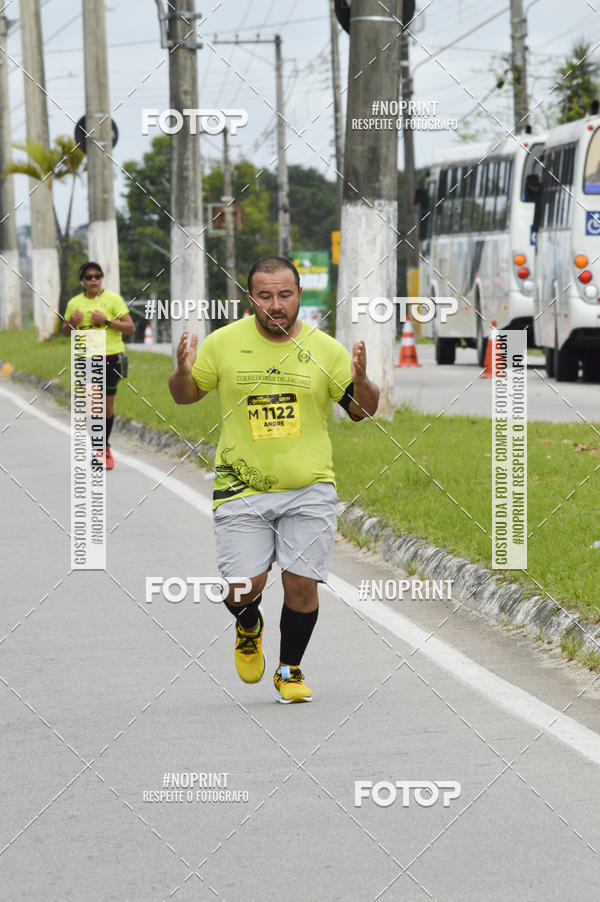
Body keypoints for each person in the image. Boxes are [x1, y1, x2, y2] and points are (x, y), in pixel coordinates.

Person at [169, 255, 379, 703]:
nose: (276, 305)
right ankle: (248, 624)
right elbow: (186, 397)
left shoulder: (325, 349)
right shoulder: (224, 343)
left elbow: (362, 411)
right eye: (265, 296)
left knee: (302, 584)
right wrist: (182, 373)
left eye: (285, 295)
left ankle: (290, 669)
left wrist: (362, 381)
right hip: (241, 487)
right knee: (243, 589)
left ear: (299, 296)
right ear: (251, 298)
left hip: (310, 488)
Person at [63, 262, 135, 470]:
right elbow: (65, 332)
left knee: (107, 407)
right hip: (86, 359)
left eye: (97, 276)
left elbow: (130, 328)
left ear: (102, 278)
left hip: (111, 357)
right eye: (88, 277)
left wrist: (107, 321)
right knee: (92, 406)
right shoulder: (74, 303)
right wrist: (71, 324)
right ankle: (98, 449)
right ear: (82, 281)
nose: (93, 280)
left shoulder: (113, 300)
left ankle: (104, 445)